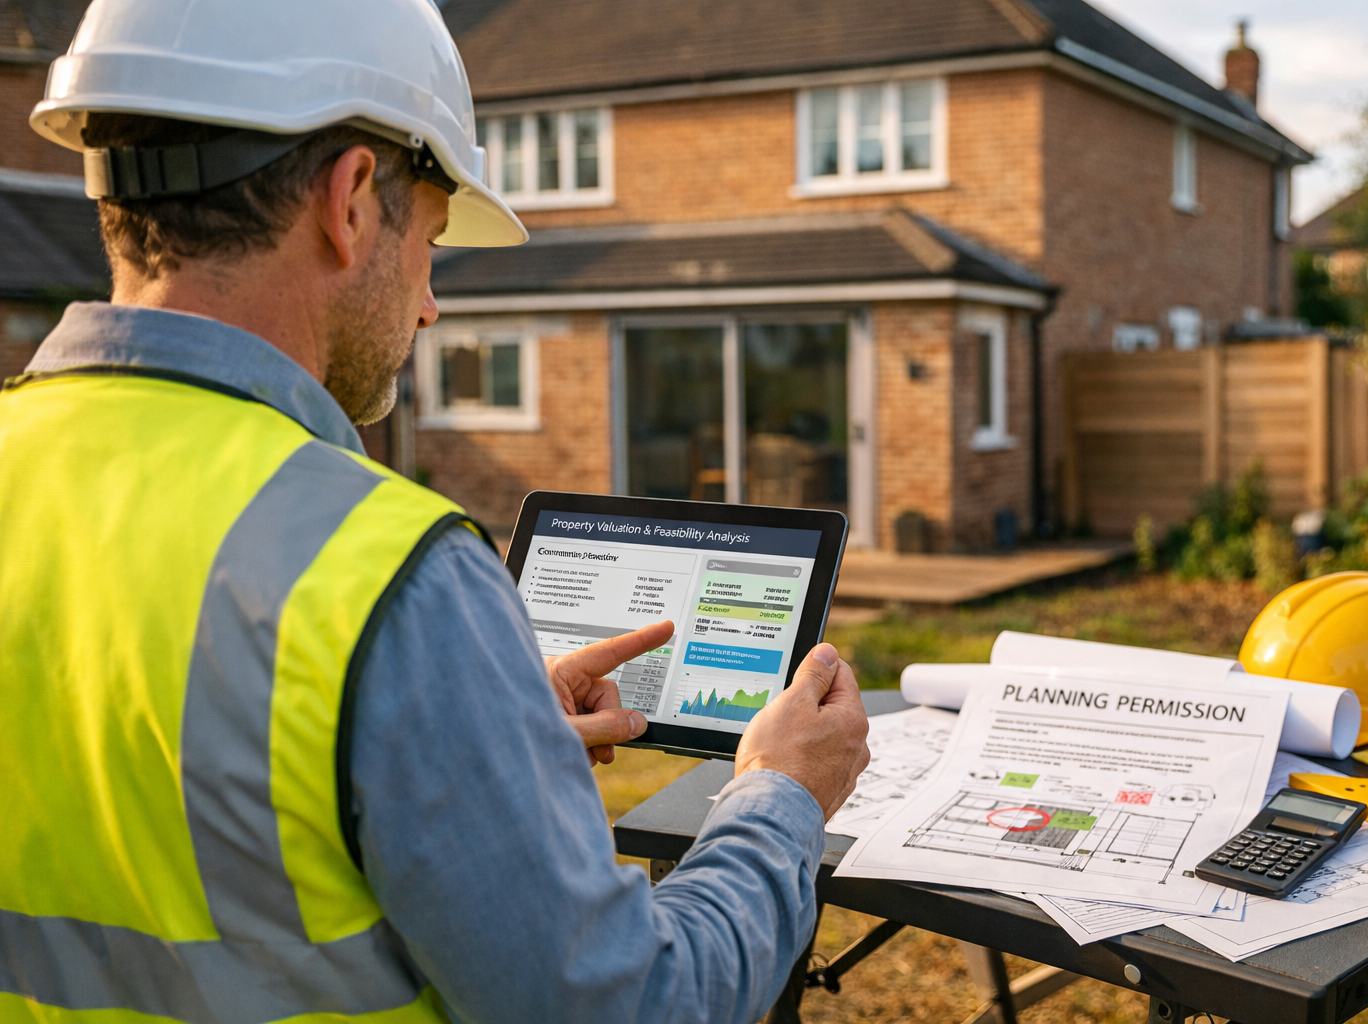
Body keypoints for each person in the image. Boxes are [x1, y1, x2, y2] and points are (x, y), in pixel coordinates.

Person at [0, 1, 870, 1022]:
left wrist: (462, 726)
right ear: (351, 201)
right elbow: (637, 1003)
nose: (428, 303)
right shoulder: (388, 575)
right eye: (432, 241)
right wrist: (780, 793)